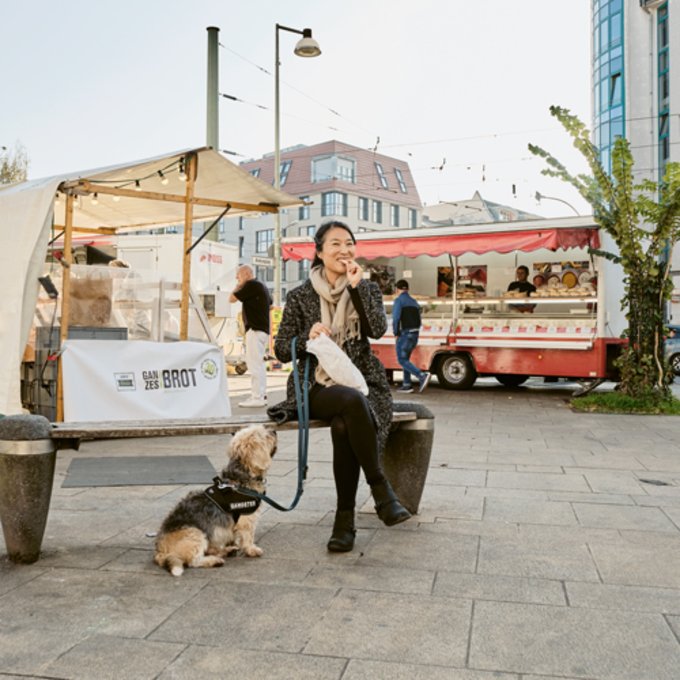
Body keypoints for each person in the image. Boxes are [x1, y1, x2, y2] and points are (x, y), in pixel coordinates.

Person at [267, 220, 411, 553]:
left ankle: (344, 521)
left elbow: (376, 330)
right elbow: (280, 348)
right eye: (335, 244)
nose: (344, 250)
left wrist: (358, 289)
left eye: (349, 243)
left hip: (363, 381)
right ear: (319, 252)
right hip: (313, 384)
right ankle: (380, 489)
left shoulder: (368, 288)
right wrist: (307, 336)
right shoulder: (300, 295)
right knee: (348, 402)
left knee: (346, 423)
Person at [230, 264, 272, 407]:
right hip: (262, 330)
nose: (237, 278)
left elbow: (231, 298)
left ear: (247, 274)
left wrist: (239, 285)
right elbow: (270, 304)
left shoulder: (251, 285)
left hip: (255, 330)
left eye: (239, 275)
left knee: (254, 365)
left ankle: (257, 397)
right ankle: (261, 395)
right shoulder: (262, 286)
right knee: (258, 364)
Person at [392, 279, 431, 394]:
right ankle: (407, 384)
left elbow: (395, 318)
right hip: (415, 334)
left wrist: (396, 333)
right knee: (406, 359)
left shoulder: (399, 300)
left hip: (405, 333)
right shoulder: (414, 302)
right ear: (407, 289)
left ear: (397, 289)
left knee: (402, 359)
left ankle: (422, 376)